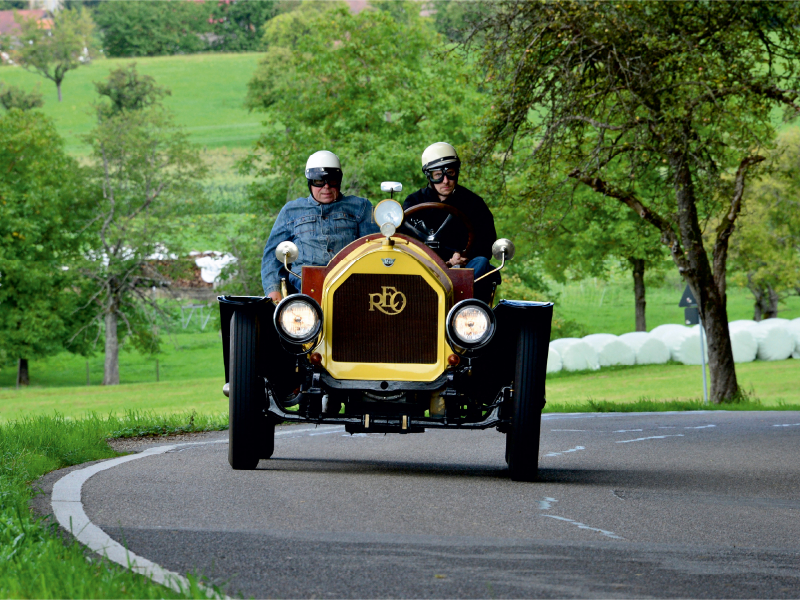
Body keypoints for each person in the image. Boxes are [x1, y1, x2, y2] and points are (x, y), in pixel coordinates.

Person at [261, 151, 379, 302]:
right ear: (309, 182)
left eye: (333, 181)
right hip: (303, 288)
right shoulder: (291, 211)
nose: (326, 187)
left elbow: (375, 248)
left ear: (340, 180)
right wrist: (273, 291)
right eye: (319, 181)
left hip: (350, 285)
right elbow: (271, 255)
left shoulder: (361, 207)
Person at [402, 142, 501, 302]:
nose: (445, 181)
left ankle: (461, 308)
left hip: (461, 270)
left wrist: (462, 257)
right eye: (438, 176)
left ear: (457, 172)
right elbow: (402, 239)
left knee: (482, 262)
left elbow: (486, 242)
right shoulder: (414, 202)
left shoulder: (474, 204)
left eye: (450, 173)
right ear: (429, 176)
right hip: (422, 267)